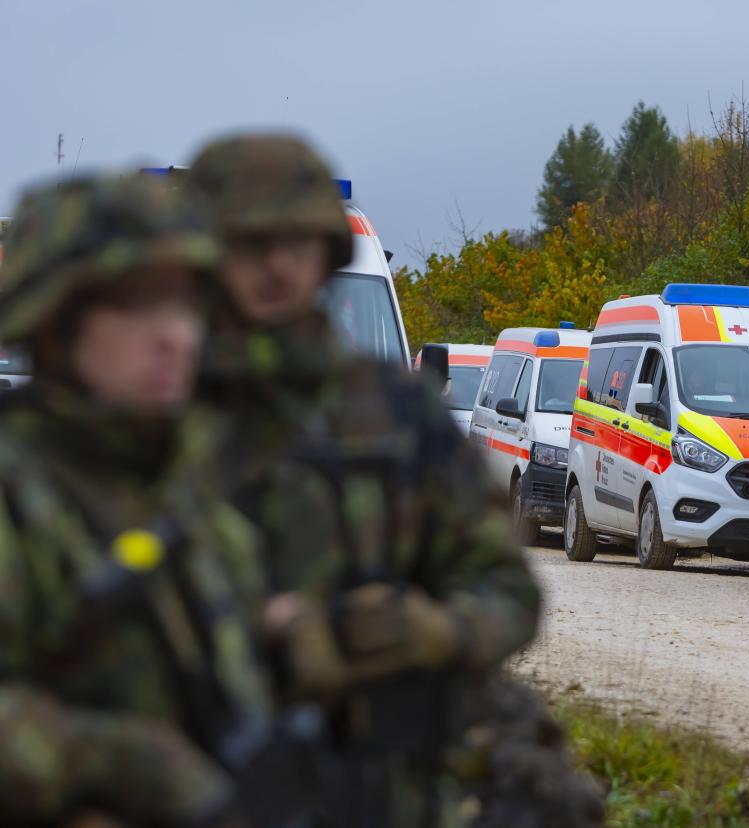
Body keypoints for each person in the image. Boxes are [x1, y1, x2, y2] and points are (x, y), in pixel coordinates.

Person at [185, 134, 601, 827]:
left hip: (382, 768)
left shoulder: (398, 416)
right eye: (248, 241)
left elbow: (507, 588)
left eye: (295, 240)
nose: (275, 263)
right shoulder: (157, 413)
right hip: (198, 757)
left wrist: (438, 631)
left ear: (324, 254)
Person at [0, 174, 318, 827]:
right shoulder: (19, 487)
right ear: (54, 323)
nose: (175, 335)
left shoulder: (186, 484)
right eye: (138, 305)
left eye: (183, 304)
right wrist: (109, 759)